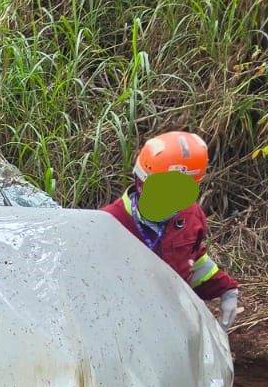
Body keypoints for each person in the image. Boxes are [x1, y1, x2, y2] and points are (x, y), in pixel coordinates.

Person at [102, 130, 241, 331]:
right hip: (122, 328)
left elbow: (194, 261)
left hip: (172, 326)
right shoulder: (109, 222)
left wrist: (227, 289)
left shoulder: (190, 217)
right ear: (140, 182)